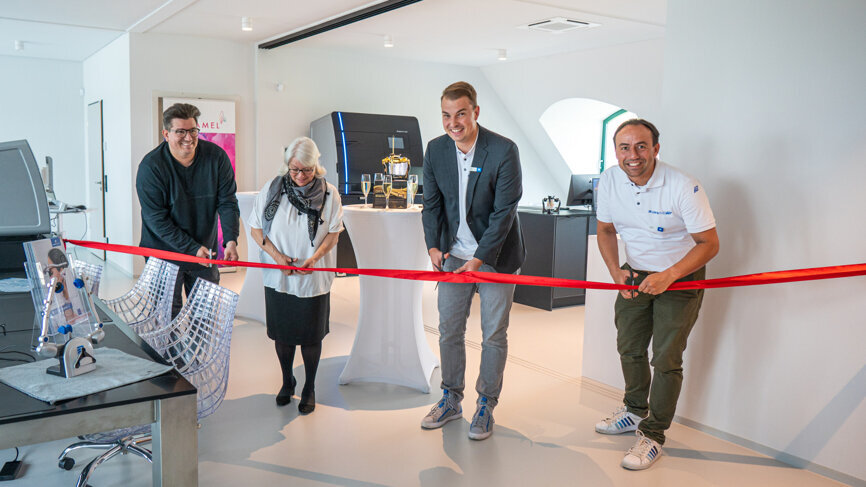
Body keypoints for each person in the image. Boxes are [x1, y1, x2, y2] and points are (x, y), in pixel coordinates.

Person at [594, 119, 719, 470]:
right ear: (616, 151)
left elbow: (710, 244)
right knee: (629, 347)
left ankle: (653, 435)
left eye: (641, 146)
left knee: (665, 358)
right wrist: (616, 271)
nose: (633, 155)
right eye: (624, 147)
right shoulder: (609, 180)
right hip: (634, 275)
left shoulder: (683, 186)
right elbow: (604, 230)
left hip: (680, 277)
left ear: (655, 149)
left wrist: (670, 275)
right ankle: (634, 412)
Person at [420, 81, 524, 440]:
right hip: (453, 256)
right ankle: (450, 398)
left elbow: (503, 213)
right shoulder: (435, 150)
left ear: (475, 112)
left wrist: (480, 258)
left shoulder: (502, 150)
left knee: (493, 333)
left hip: (496, 257)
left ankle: (485, 405)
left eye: (461, 113)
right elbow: (431, 203)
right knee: (449, 329)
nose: (454, 123)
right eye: (447, 116)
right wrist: (433, 246)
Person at [248, 137, 343, 414]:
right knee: (283, 334)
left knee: (311, 337)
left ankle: (309, 386)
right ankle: (287, 380)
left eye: (307, 170)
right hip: (279, 277)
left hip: (313, 276)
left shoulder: (329, 194)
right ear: (287, 166)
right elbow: (256, 229)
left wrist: (314, 259)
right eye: (294, 170)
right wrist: (278, 259)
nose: (300, 176)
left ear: (317, 166)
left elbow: (334, 234)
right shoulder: (272, 189)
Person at [136, 103, 240, 317]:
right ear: (166, 134)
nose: (189, 138)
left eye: (193, 130)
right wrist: (192, 248)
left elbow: (227, 201)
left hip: (204, 254)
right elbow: (156, 220)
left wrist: (230, 239)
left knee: (204, 317)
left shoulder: (216, 158)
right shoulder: (151, 167)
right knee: (165, 319)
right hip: (163, 256)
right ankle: (168, 353)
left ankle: (197, 352)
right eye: (180, 132)